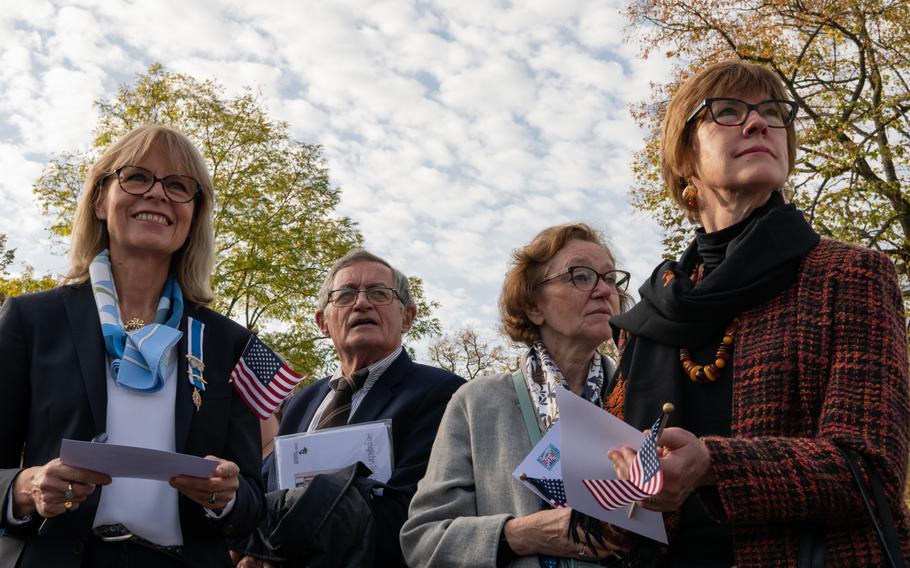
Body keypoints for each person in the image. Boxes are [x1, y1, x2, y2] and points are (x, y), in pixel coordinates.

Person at [606, 60, 910, 566]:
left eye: (773, 112)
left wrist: (712, 466)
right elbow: (615, 486)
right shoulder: (647, 319)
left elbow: (870, 469)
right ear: (684, 159)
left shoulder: (850, 275)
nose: (757, 122)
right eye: (727, 110)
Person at [0, 125, 264, 568]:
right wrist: (27, 488)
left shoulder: (228, 342)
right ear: (100, 200)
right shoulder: (30, 320)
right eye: (137, 177)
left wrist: (227, 497)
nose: (158, 194)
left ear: (194, 216)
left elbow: (253, 502)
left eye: (179, 186)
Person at [401, 223, 634, 567]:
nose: (604, 290)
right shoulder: (476, 403)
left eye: (610, 279)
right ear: (533, 306)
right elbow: (423, 541)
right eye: (581, 276)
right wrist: (520, 535)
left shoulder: (638, 395)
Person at [231, 248, 464, 567]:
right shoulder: (300, 403)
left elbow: (409, 512)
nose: (362, 302)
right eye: (345, 294)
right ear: (322, 322)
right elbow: (261, 494)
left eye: (380, 293)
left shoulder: (442, 393)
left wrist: (267, 550)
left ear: (407, 316)